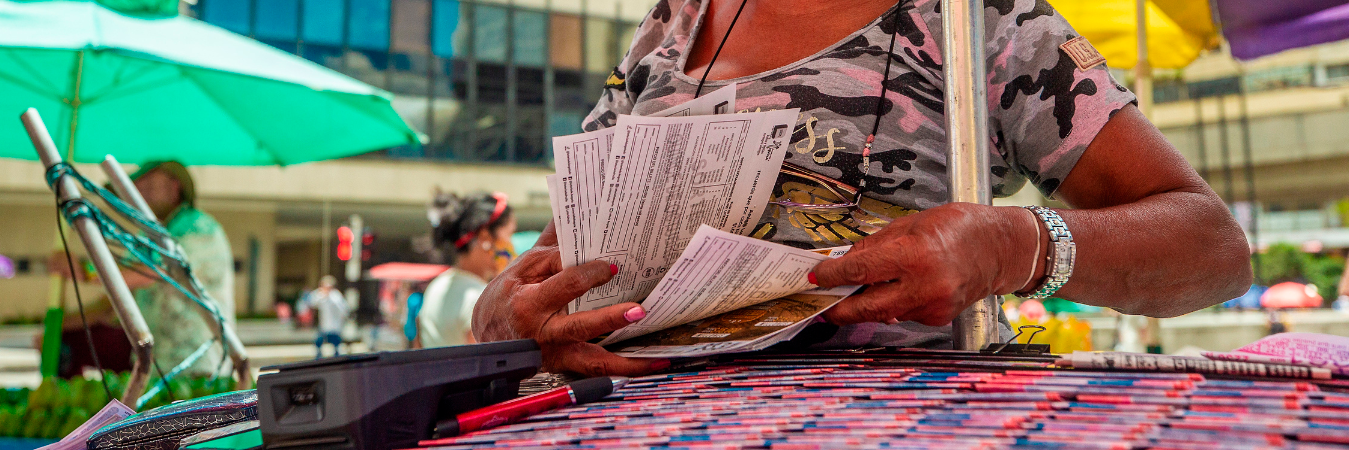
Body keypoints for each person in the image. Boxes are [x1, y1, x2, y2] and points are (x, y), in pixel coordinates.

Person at [472, 0, 1253, 376]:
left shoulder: (982, 21)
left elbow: (1211, 246)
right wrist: (509, 316)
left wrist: (1014, 244)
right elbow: (554, 268)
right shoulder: (672, 23)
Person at [48, 160, 235, 375]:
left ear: (175, 187)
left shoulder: (196, 226)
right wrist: (60, 325)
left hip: (197, 368)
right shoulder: (147, 236)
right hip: (156, 368)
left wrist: (86, 270)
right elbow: (116, 295)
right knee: (69, 342)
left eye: (149, 187)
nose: (141, 194)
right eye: (136, 189)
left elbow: (151, 271)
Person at [419, 191, 517, 348]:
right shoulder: (480, 300)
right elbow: (484, 367)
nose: (511, 245)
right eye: (510, 234)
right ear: (485, 237)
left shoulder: (435, 286)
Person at [299, 275, 349, 357]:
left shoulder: (336, 296)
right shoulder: (320, 294)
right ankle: (319, 355)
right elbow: (312, 302)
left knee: (335, 342)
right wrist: (323, 295)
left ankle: (337, 355)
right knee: (319, 341)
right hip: (324, 324)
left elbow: (343, 309)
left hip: (334, 325)